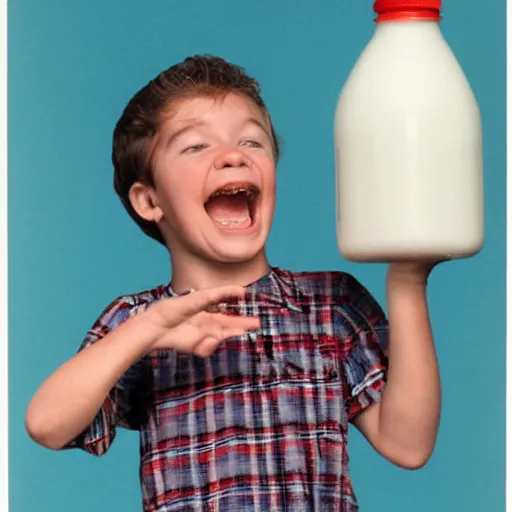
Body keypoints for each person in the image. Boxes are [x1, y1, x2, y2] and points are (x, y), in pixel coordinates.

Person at [25, 55, 441, 512]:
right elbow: (48, 424)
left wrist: (406, 281)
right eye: (196, 147)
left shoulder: (331, 303)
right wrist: (149, 331)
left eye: (251, 141)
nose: (233, 155)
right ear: (149, 200)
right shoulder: (137, 322)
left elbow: (408, 445)